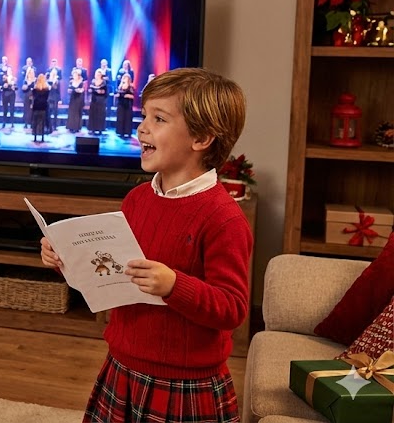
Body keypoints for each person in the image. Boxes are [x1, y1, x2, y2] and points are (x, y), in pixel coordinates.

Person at [40, 67, 251, 423]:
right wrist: (68, 259)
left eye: (159, 118)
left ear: (201, 139)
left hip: (185, 385)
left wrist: (173, 284)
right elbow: (112, 276)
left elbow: (232, 308)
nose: (142, 128)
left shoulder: (223, 218)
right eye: (143, 116)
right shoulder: (136, 200)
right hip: (121, 366)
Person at [87, 70, 109, 134]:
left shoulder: (104, 82)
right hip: (94, 99)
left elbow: (105, 91)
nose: (98, 76)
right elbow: (90, 89)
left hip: (101, 100)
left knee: (100, 114)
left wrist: (101, 91)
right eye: (97, 74)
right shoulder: (93, 81)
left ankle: (100, 129)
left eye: (99, 74)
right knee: (93, 113)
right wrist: (91, 90)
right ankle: (92, 128)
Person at [31, 73, 51, 142]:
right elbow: (47, 98)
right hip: (43, 106)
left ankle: (35, 137)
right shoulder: (47, 89)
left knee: (35, 121)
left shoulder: (35, 89)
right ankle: (42, 137)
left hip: (36, 106)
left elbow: (33, 97)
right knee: (43, 122)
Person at [115, 72, 135, 138]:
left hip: (127, 104)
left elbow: (133, 96)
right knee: (120, 118)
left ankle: (127, 132)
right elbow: (117, 93)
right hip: (121, 104)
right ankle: (120, 132)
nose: (124, 79)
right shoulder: (120, 86)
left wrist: (128, 95)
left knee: (127, 118)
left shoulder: (131, 86)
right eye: (124, 78)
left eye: (126, 78)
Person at [65, 68, 85, 133]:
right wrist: (69, 90)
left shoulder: (81, 82)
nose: (74, 76)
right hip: (72, 98)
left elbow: (82, 90)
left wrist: (78, 90)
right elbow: (69, 89)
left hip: (78, 98)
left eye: (75, 75)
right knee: (71, 112)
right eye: (73, 75)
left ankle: (77, 127)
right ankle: (71, 126)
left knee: (77, 112)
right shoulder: (71, 81)